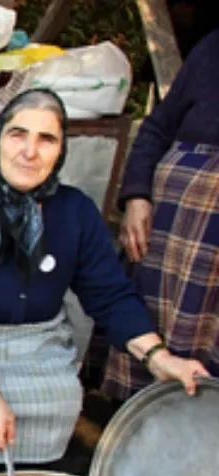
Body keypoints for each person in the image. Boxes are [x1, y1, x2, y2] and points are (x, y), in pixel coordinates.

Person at [0, 90, 207, 476]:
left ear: (61, 150)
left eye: (47, 139)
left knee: (62, 399)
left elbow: (109, 294)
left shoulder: (75, 212)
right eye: (17, 134)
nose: (30, 151)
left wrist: (159, 357)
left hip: (34, 339)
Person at [102, 30, 219, 402]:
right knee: (152, 334)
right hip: (172, 232)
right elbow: (157, 126)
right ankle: (139, 432)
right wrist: (136, 196)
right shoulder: (213, 48)